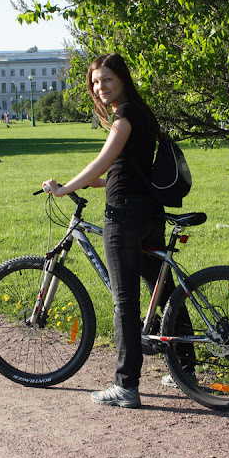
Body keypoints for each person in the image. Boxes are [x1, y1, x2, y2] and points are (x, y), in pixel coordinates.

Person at [42, 53, 194, 409]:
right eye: (95, 82)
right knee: (166, 291)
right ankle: (185, 369)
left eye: (107, 79)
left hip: (124, 217)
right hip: (149, 213)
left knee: (125, 302)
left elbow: (104, 159)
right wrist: (97, 183)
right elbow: (127, 168)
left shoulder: (124, 116)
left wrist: (64, 189)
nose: (101, 87)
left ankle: (126, 385)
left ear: (122, 79)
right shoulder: (143, 113)